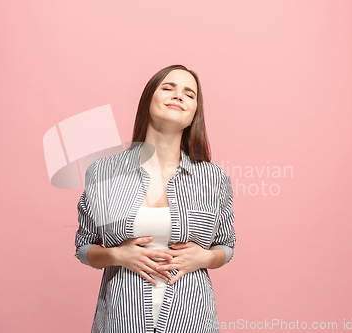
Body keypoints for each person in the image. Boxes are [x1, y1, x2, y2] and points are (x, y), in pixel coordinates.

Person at [75, 64, 236, 333]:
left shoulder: (213, 178)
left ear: (194, 113)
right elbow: (83, 247)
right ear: (149, 98)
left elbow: (227, 246)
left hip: (192, 318)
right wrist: (118, 255)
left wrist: (204, 259)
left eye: (189, 93)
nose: (178, 96)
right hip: (122, 317)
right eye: (168, 88)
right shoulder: (103, 172)